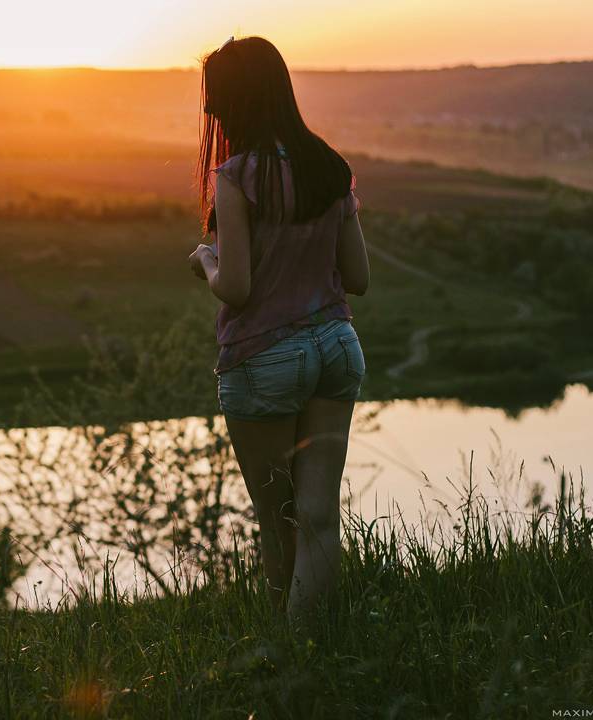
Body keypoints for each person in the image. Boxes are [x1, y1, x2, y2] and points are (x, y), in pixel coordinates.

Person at [188, 36, 371, 622]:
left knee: (278, 518)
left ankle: (285, 657)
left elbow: (236, 287)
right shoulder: (329, 167)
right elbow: (359, 277)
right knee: (319, 514)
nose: (212, 114)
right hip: (337, 349)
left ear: (236, 102)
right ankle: (313, 648)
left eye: (216, 103)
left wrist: (205, 260)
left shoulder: (237, 176)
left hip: (264, 358)